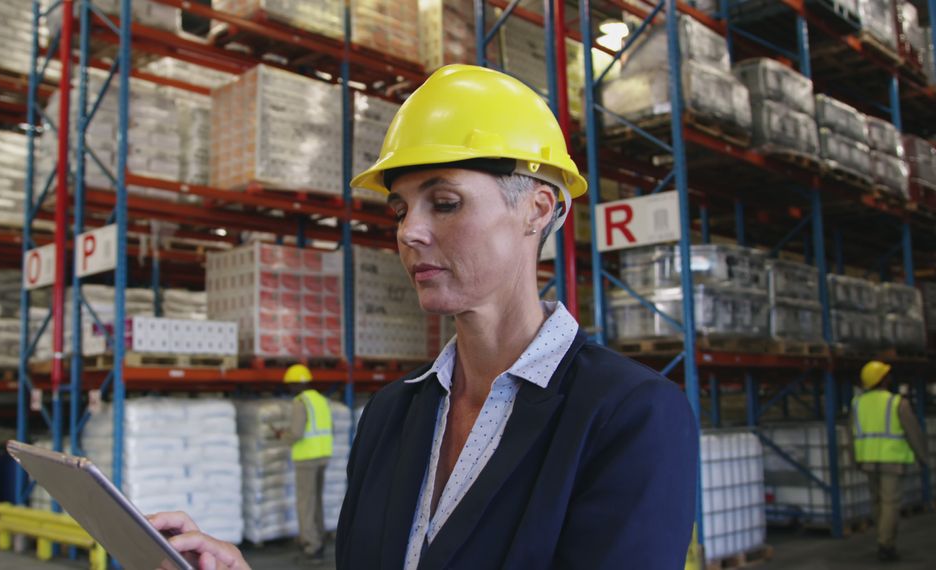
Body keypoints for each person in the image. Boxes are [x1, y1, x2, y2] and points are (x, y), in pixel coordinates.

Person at [149, 64, 699, 569]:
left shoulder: (629, 416)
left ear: (537, 209)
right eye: (400, 209)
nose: (409, 231)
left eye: (445, 202)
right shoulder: (389, 416)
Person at [846, 360, 928, 562]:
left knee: (877, 502)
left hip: (867, 459)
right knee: (890, 503)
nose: (890, 377)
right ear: (882, 380)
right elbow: (913, 433)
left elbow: (851, 434)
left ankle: (882, 538)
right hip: (892, 460)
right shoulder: (897, 402)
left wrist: (854, 458)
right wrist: (923, 457)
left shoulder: (857, 404)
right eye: (886, 375)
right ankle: (886, 544)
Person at [280, 364, 334, 565]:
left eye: (290, 385)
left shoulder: (300, 401)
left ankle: (312, 547)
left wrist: (283, 437)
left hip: (306, 458)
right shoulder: (321, 400)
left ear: (296, 384)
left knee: (305, 503)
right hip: (323, 456)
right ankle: (319, 538)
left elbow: (297, 432)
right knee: (316, 501)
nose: (289, 389)